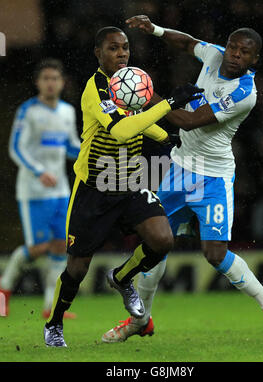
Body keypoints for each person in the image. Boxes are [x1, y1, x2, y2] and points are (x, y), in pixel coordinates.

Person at [102, 15, 263, 343]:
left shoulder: (244, 92)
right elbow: (188, 42)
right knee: (154, 246)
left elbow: (189, 121)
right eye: (232, 46)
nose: (234, 54)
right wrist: (156, 30)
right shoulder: (216, 54)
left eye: (243, 52)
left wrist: (146, 97)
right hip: (178, 169)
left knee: (215, 254)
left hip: (213, 177)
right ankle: (139, 320)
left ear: (254, 59)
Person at [43, 26, 201, 347]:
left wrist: (165, 138)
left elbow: (141, 120)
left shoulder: (129, 82)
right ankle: (55, 323)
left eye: (125, 47)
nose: (122, 54)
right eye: (113, 48)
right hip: (95, 188)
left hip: (129, 182)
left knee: (162, 239)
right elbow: (121, 130)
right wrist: (170, 102)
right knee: (77, 267)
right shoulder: (96, 90)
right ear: (98, 54)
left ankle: (122, 277)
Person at [0, 59, 81, 319]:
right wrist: (38, 170)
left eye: (54, 78)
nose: (50, 83)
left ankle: (51, 305)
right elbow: (16, 148)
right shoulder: (28, 111)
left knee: (60, 246)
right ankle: (3, 290)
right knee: (37, 248)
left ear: (62, 82)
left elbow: (69, 147)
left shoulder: (68, 111)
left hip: (60, 191)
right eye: (45, 78)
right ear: (38, 83)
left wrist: (89, 153)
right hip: (33, 190)